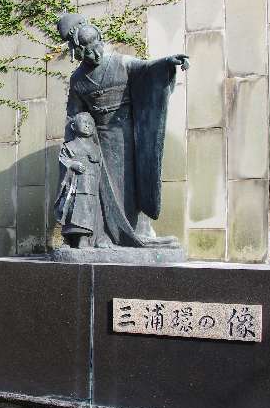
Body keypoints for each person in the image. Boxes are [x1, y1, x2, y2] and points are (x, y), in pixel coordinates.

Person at [57, 13, 189, 247]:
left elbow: (147, 69)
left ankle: (135, 232)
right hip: (98, 140)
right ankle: (103, 236)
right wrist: (75, 148)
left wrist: (168, 63)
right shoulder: (78, 79)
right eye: (87, 52)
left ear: (101, 40)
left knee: (128, 184)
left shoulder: (120, 62)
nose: (95, 54)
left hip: (127, 134)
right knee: (101, 188)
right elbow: (74, 115)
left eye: (97, 47)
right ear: (78, 52)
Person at [54, 112, 107, 249]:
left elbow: (101, 167)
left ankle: (84, 238)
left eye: (90, 123)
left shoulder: (96, 148)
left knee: (88, 209)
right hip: (74, 186)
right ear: (73, 126)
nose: (87, 125)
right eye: (84, 122)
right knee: (71, 209)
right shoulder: (69, 146)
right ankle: (68, 239)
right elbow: (63, 160)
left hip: (91, 188)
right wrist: (72, 165)